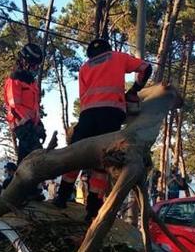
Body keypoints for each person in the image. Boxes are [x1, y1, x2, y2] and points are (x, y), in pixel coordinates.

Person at [52, 37, 153, 221]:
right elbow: (146, 68)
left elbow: (83, 96)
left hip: (88, 115)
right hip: (111, 114)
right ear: (108, 49)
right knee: (103, 161)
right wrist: (133, 91)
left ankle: (62, 197)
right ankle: (92, 211)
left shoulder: (85, 67)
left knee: (75, 156)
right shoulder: (118, 57)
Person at [4, 43, 46, 165]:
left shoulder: (31, 83)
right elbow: (14, 107)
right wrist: (29, 125)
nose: (35, 68)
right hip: (21, 125)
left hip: (31, 126)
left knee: (24, 162)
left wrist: (39, 124)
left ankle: (21, 183)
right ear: (24, 61)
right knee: (38, 156)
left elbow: (34, 108)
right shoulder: (14, 80)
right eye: (34, 65)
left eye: (37, 66)